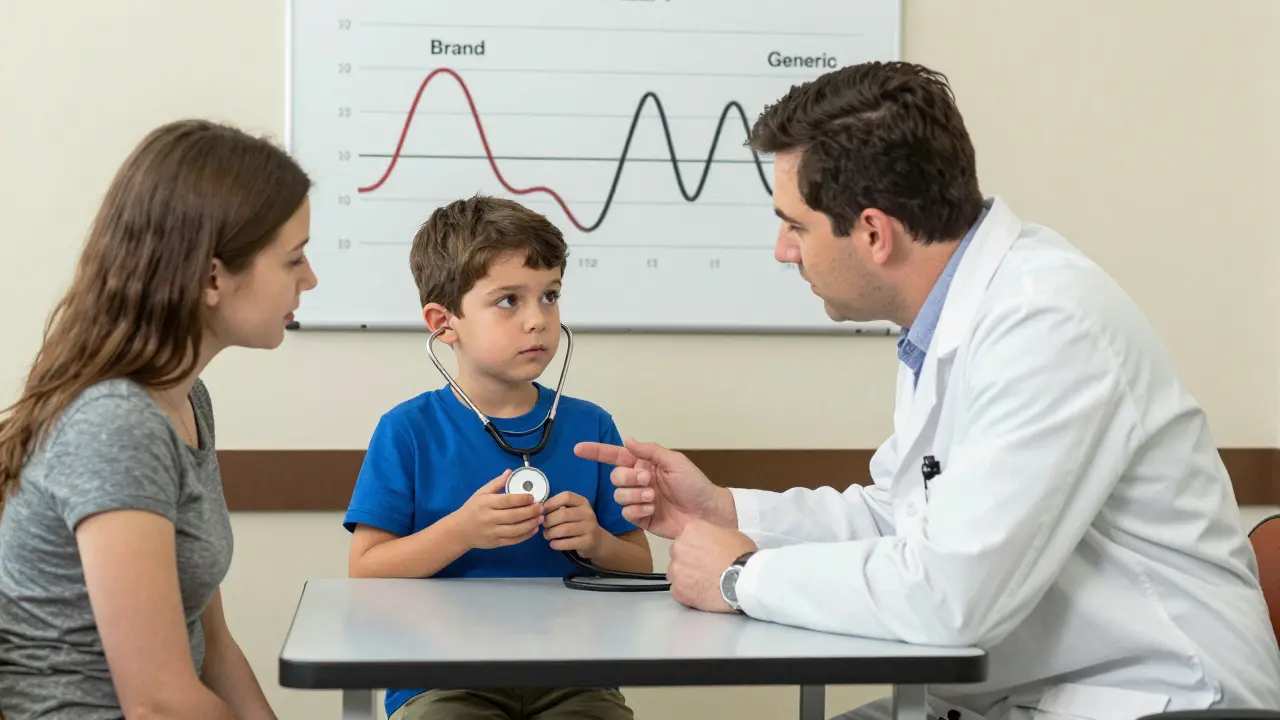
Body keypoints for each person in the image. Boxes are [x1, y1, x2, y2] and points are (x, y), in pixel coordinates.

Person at [575, 61, 1280, 718]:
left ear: (874, 233)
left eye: (795, 225)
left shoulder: (1048, 324)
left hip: (1157, 700)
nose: (783, 251)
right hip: (1031, 694)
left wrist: (742, 576)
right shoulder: (955, 319)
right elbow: (904, 518)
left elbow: (952, 597)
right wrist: (726, 509)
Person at [0, 119, 317, 719]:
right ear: (213, 277)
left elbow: (215, 650)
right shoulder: (116, 425)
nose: (310, 278)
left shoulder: (187, 403)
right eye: (294, 259)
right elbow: (158, 704)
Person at [342, 195, 651, 720]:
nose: (537, 320)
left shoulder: (591, 426)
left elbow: (640, 564)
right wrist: (461, 531)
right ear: (444, 323)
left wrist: (597, 542)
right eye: (509, 300)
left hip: (574, 676)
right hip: (441, 676)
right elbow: (366, 572)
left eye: (550, 296)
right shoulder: (407, 430)